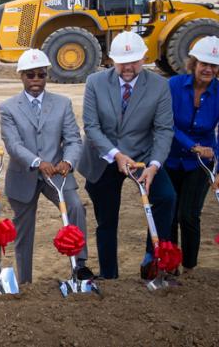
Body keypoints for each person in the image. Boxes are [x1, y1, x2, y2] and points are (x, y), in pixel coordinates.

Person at [79, 31, 176, 280]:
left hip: (142, 156)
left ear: (144, 58)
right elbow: (91, 126)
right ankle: (110, 276)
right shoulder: (95, 82)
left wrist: (154, 166)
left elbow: (164, 129)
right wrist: (116, 154)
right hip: (105, 157)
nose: (129, 67)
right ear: (112, 60)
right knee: (107, 220)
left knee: (166, 198)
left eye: (134, 61)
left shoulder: (159, 86)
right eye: (123, 61)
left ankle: (151, 260)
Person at [0, 50, 93, 284]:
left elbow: (73, 139)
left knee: (75, 208)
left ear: (47, 75)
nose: (36, 80)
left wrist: (68, 162)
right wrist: (37, 162)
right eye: (30, 75)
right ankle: (25, 282)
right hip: (24, 175)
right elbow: (13, 144)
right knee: (24, 231)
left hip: (57, 174)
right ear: (21, 76)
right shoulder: (8, 108)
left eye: (41, 75)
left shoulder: (62, 103)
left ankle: (79, 266)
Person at [166, 36, 219, 272]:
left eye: (214, 65)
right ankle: (168, 265)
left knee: (188, 215)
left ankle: (190, 269)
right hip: (170, 158)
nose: (208, 69)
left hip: (201, 163)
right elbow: (167, 123)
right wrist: (192, 145)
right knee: (169, 214)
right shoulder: (173, 86)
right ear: (194, 63)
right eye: (204, 63)